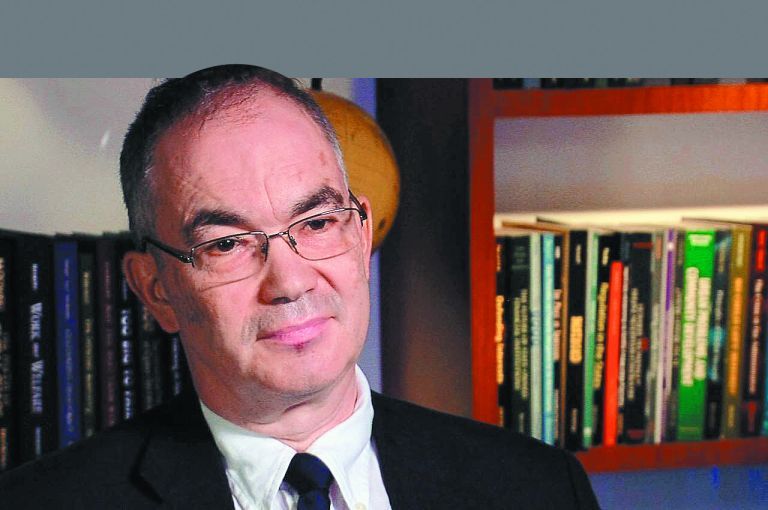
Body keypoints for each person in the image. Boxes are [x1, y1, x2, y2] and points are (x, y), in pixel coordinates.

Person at [0, 66, 599, 509]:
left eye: (316, 223)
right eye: (227, 244)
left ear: (361, 235)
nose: (289, 282)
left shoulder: (540, 489)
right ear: (156, 290)